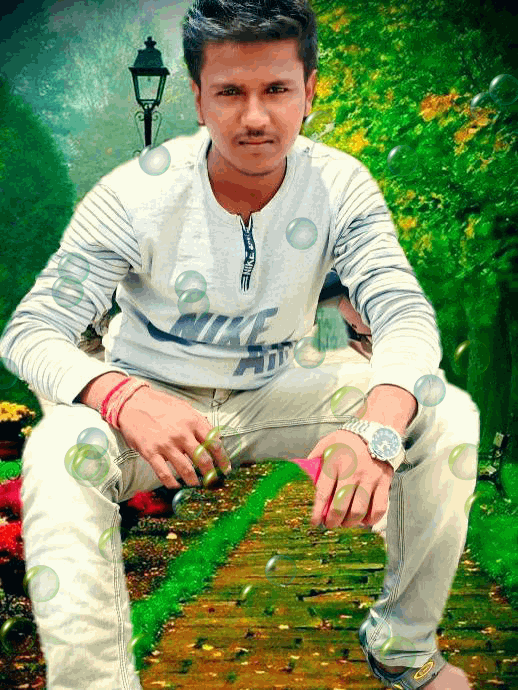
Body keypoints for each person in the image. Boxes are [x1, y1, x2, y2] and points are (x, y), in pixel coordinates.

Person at [0, 1, 480, 688]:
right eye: (230, 92)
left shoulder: (340, 185)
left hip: (276, 390)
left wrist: (376, 429)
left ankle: (402, 644)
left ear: (309, 92)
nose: (255, 117)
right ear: (198, 98)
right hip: (149, 407)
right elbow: (30, 329)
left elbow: (402, 310)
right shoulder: (131, 195)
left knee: (447, 414)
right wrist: (120, 394)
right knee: (56, 449)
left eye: (277, 89)